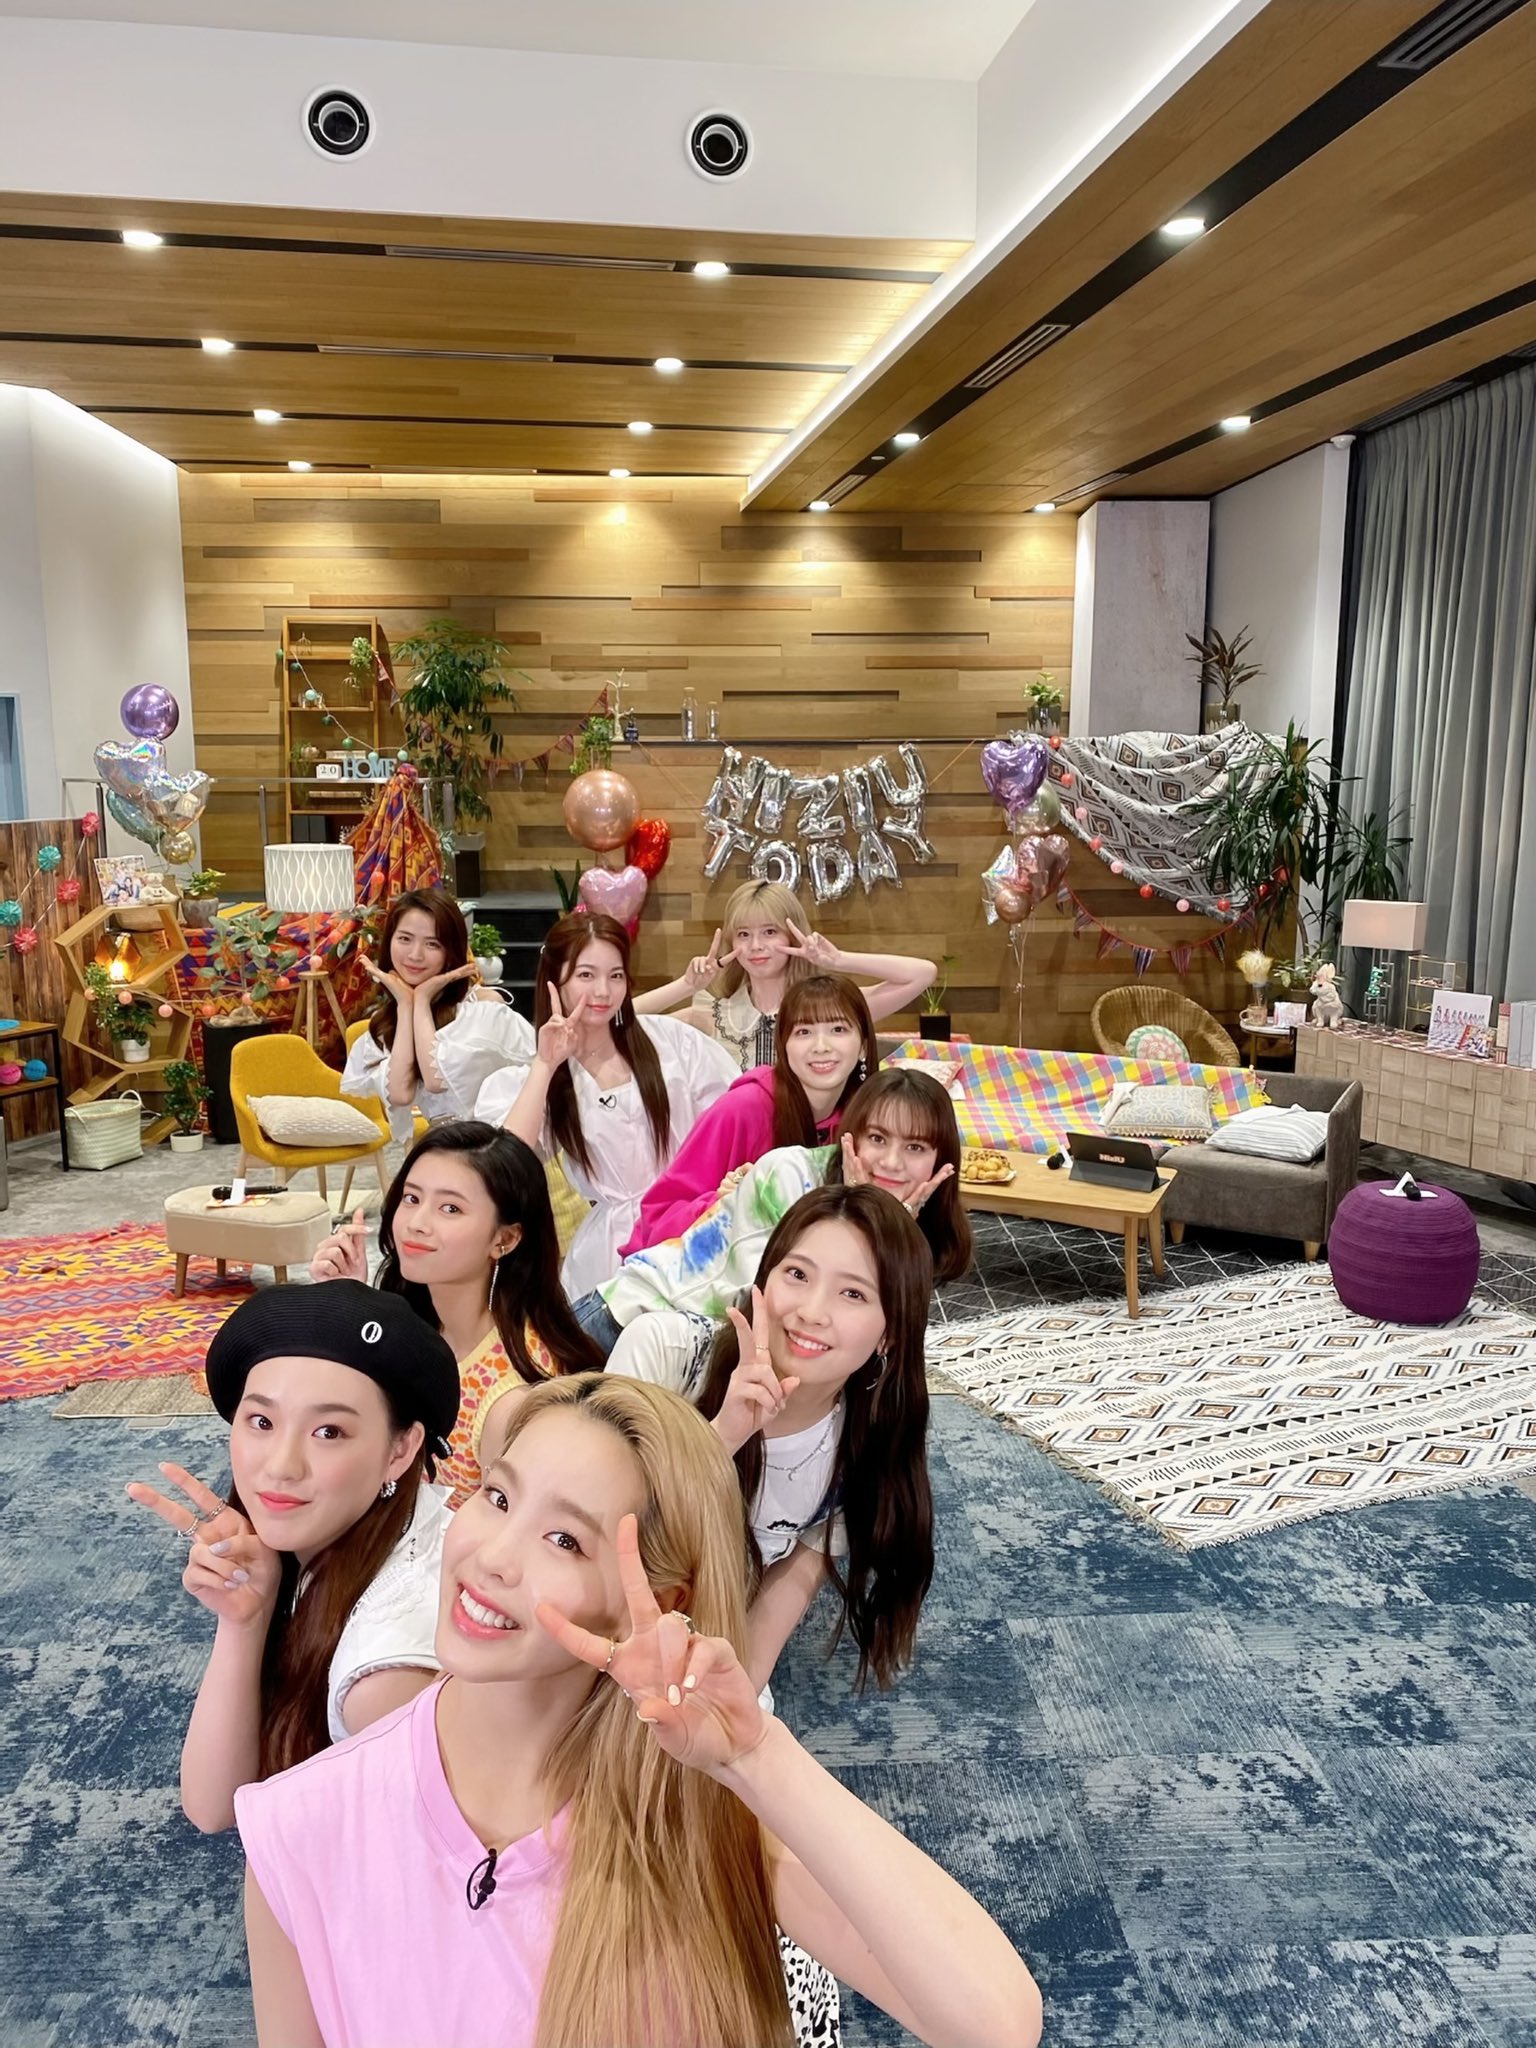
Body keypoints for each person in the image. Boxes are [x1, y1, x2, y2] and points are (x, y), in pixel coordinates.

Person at [236, 1374, 1042, 2048]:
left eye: (565, 1541)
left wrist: (756, 1759)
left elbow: (993, 2025)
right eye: (497, 1496)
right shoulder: (303, 1824)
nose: (493, 1557)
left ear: (653, 1599)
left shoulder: (699, 1811)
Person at [125, 1282, 461, 1832]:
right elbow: (214, 1807)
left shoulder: (384, 1682)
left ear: (400, 1450)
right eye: (262, 1421)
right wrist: (245, 1620)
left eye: (329, 1432)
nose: (281, 1465)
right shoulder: (366, 1532)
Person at [609, 1184, 934, 1692]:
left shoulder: (861, 1452)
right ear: (764, 1280)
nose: (811, 1312)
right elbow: (596, 1528)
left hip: (696, 1644)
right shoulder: (668, 1355)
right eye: (797, 1274)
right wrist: (722, 1437)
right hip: (596, 1615)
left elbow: (776, 1611)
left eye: (853, 1294)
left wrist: (730, 1703)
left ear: (889, 1333)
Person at [574, 1067, 971, 1357]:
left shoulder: (913, 1218)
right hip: (624, 1320)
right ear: (852, 1135)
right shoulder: (788, 1174)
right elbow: (776, 1312)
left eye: (915, 1147)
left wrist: (893, 1226)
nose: (891, 1162)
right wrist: (870, 1220)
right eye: (878, 1138)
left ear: (941, 1159)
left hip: (693, 1351)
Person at [310, 1123, 604, 1504]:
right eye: (412, 1198)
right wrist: (351, 1302)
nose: (416, 1223)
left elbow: (508, 1533)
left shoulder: (508, 1401)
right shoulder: (423, 1321)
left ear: (505, 1239)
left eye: (450, 1208)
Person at [473, 910, 737, 1297]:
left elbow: (731, 1120)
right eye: (586, 975)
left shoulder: (671, 1042)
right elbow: (505, 1160)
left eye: (615, 976)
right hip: (611, 1252)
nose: (603, 991)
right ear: (554, 980)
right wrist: (545, 1065)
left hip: (695, 1225)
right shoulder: (543, 1075)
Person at [621, 972, 879, 1258]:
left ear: (864, 1045)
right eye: (804, 1032)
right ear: (784, 1044)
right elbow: (658, 1219)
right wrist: (725, 1203)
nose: (821, 1046)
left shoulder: (869, 1121)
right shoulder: (743, 1109)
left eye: (838, 1029)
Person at [634, 877, 937, 1070]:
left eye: (769, 932)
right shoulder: (711, 1015)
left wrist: (839, 960)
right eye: (743, 934)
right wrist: (686, 985)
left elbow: (922, 974)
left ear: (792, 935)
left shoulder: (830, 1009)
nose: (756, 946)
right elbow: (619, 1022)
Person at [341, 886, 534, 1143]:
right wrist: (406, 1006)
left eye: (432, 944)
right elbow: (400, 1094)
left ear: (451, 951)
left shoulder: (481, 1007)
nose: (415, 955)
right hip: (446, 1146)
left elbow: (437, 1080)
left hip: (497, 1146)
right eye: (405, 939)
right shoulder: (392, 1017)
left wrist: (421, 1001)